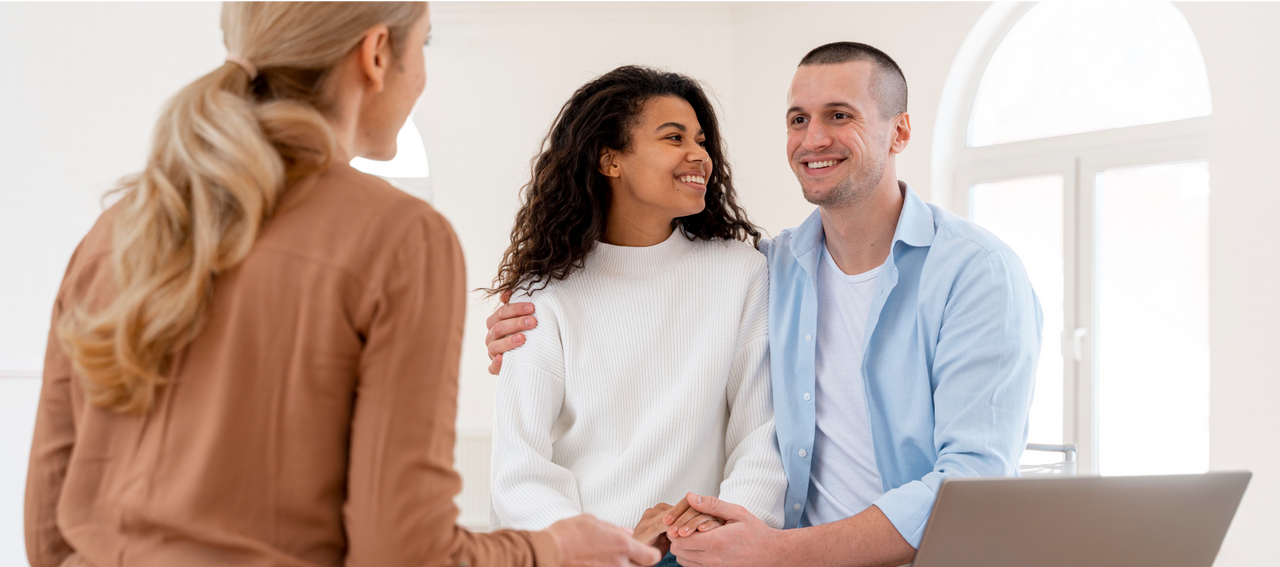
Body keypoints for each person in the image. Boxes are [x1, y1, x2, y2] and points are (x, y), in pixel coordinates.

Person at [23, 1, 660, 566]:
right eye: (425, 46)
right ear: (377, 54)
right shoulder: (401, 238)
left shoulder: (119, 227)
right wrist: (551, 548)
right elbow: (404, 553)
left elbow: (47, 534)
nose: (423, 76)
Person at [486, 42, 1042, 567]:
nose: (813, 138)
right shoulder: (780, 265)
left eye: (840, 115)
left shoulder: (973, 272)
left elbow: (969, 479)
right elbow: (524, 467)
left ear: (899, 133)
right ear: (610, 160)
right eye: (798, 119)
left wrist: (755, 544)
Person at [485, 66, 787, 563]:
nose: (700, 156)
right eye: (674, 137)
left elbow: (762, 435)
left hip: (706, 554)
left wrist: (718, 523)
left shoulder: (743, 274)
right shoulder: (544, 294)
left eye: (702, 141)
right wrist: (613, 549)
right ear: (610, 160)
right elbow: (520, 469)